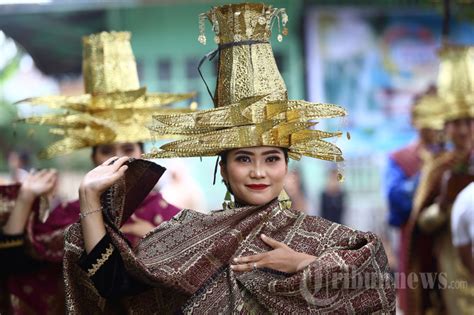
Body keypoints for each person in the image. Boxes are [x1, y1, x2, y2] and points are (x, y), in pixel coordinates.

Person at [63, 4, 395, 313]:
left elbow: (378, 284)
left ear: (287, 165)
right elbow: (117, 285)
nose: (258, 172)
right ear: (223, 168)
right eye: (244, 159)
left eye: (271, 159)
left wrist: (304, 264)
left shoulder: (317, 237)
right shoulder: (188, 234)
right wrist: (88, 198)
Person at [0, 31, 193, 315]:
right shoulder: (68, 215)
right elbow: (14, 266)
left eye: (127, 147)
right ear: (94, 158)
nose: (118, 158)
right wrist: (26, 198)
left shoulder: (172, 220)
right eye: (106, 150)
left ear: (143, 152)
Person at [407, 44, 474, 315]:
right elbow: (421, 223)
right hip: (453, 258)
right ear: (445, 127)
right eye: (456, 123)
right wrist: (444, 204)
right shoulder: (438, 167)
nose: (463, 130)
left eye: (469, 122)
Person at [384, 86, 445, 313]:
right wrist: (428, 175)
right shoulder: (400, 160)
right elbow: (396, 207)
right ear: (414, 119)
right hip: (416, 251)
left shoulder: (456, 156)